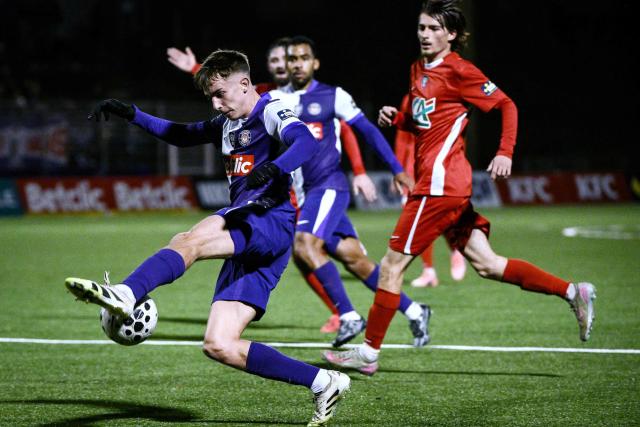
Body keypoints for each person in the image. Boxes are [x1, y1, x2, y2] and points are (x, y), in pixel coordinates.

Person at [66, 49, 350, 426]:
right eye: (211, 98)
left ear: (245, 83)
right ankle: (324, 382)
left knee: (190, 239)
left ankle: (127, 292)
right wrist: (130, 113)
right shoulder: (227, 123)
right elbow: (181, 134)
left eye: (221, 94)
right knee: (220, 344)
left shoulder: (270, 109)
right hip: (257, 238)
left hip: (268, 218)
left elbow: (306, 142)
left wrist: (275, 168)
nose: (216, 104)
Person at [323, 0, 596, 376]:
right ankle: (573, 292)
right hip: (441, 186)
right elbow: (427, 122)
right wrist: (399, 118)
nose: (425, 34)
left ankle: (368, 353)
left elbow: (507, 105)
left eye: (434, 28)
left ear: (451, 34)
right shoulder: (418, 69)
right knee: (488, 264)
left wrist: (505, 152)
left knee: (390, 265)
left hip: (439, 186)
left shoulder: (460, 71)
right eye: (421, 27)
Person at [168, 40, 376, 334]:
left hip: (317, 189)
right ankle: (381, 310)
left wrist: (360, 171)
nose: (284, 64)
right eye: (279, 59)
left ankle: (355, 314)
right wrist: (195, 68)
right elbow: (227, 86)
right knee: (337, 254)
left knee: (320, 251)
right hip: (294, 194)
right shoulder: (266, 94)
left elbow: (344, 131)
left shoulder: (323, 97)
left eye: (290, 58)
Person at [271, 36, 432, 348]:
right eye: (292, 59)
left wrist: (396, 168)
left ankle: (347, 315)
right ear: (285, 64)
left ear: (314, 63)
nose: (298, 64)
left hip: (329, 187)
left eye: (304, 57)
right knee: (354, 259)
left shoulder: (334, 96)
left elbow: (367, 130)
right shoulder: (276, 99)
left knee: (304, 245)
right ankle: (415, 310)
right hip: (306, 197)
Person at [394, 93, 466, 288]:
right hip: (413, 166)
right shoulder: (410, 98)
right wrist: (398, 169)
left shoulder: (450, 95)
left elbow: (457, 133)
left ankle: (455, 248)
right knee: (417, 221)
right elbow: (402, 138)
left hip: (439, 164)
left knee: (440, 215)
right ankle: (428, 271)